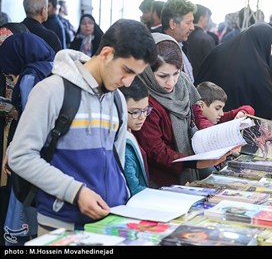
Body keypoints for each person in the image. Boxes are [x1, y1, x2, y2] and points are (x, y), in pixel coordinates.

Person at [7, 19, 157, 235]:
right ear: (106, 54)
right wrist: (76, 192)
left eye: (135, 74)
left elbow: (118, 160)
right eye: (126, 70)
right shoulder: (52, 90)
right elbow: (20, 157)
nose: (127, 82)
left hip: (110, 223)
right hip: (61, 227)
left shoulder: (117, 100)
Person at [135, 33, 228, 188]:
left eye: (176, 73)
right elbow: (155, 150)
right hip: (161, 181)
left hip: (187, 170)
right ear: (147, 70)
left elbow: (197, 114)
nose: (170, 82)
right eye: (162, 76)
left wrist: (213, 136)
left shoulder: (183, 83)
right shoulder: (143, 99)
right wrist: (193, 163)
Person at [0, 33, 55, 245]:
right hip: (51, 151)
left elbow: (30, 119)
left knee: (23, 203)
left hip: (31, 150)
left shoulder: (30, 75)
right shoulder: (52, 66)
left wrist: (11, 151)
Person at [195, 22, 272, 120]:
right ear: (263, 43)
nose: (271, 51)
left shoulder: (218, 51)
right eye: (271, 47)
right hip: (237, 123)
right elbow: (267, 105)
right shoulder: (258, 67)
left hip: (204, 118)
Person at [118, 78, 150, 195]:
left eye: (146, 110)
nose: (142, 117)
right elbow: (133, 189)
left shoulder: (130, 132)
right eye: (135, 112)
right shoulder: (123, 144)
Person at [161, 0, 196, 83]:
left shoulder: (182, 46)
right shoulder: (161, 51)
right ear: (173, 24)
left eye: (192, 22)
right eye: (188, 23)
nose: (192, 27)